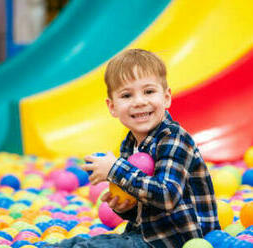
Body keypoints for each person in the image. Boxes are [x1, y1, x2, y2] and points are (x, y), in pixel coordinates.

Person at [45, 49, 220, 248]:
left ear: (166, 97)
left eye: (149, 91)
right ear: (112, 107)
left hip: (177, 240)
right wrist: (126, 207)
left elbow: (166, 195)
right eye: (127, 95)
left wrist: (114, 169)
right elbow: (146, 206)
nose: (139, 101)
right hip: (145, 235)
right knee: (70, 244)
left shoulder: (174, 138)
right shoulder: (130, 144)